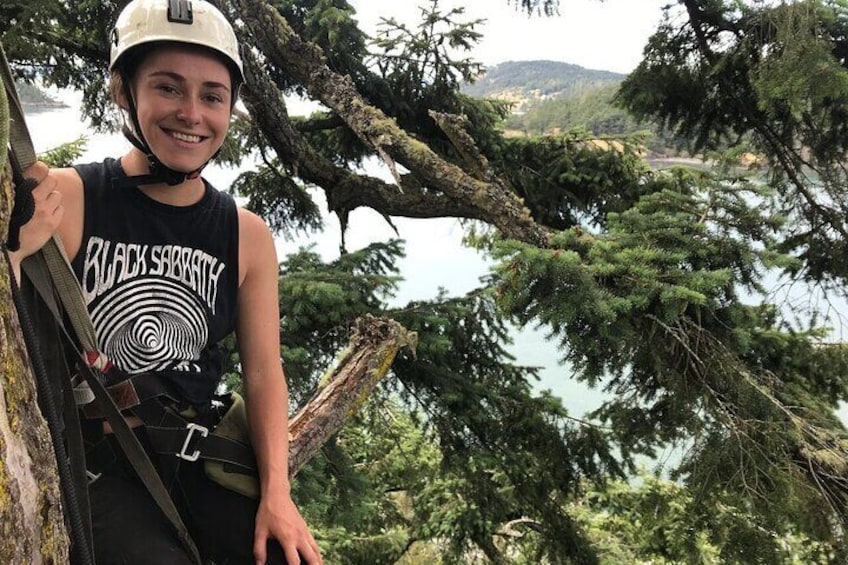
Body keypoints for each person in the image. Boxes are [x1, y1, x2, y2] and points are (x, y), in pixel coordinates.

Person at [7, 0, 323, 563]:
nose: (192, 114)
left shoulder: (244, 235)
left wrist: (279, 491)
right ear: (125, 93)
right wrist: (12, 248)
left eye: (212, 96)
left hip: (196, 455)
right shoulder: (65, 200)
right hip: (96, 464)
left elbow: (263, 371)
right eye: (168, 88)